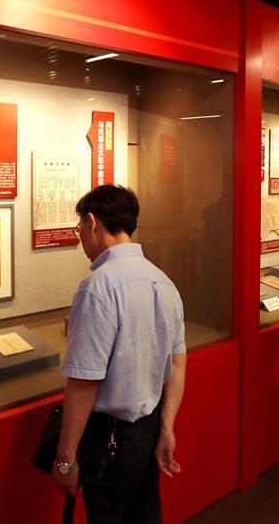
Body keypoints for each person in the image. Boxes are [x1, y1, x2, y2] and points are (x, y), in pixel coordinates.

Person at [54, 184, 186, 523]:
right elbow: (177, 361)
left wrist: (66, 458)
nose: (81, 237)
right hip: (149, 430)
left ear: (92, 223)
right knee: (145, 514)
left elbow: (85, 380)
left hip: (109, 439)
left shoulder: (98, 286)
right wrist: (167, 428)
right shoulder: (163, 281)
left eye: (80, 228)